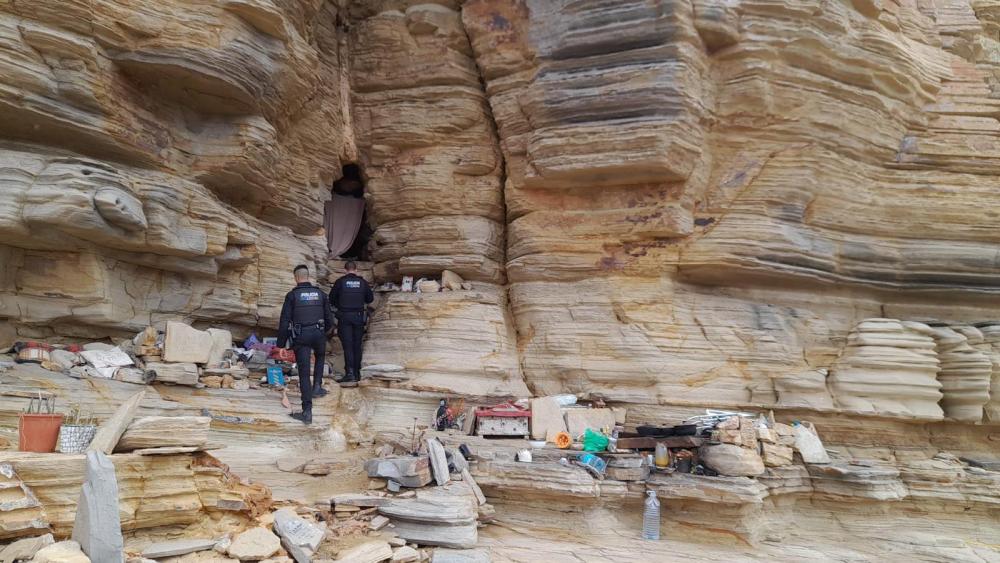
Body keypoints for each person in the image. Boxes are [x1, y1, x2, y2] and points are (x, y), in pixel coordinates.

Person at [277, 264, 334, 425]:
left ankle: (307, 412)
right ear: (307, 276)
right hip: (319, 333)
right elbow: (330, 320)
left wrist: (280, 345)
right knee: (320, 356)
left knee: (303, 373)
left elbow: (284, 321)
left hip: (301, 336)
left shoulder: (292, 296)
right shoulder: (320, 294)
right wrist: (323, 332)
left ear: (296, 278)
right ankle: (317, 386)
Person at [330, 261, 373, 386]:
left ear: (345, 270)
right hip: (358, 317)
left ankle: (350, 374)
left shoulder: (340, 282)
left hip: (344, 317)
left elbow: (331, 299)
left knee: (348, 346)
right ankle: (357, 373)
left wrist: (340, 305)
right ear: (356, 270)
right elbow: (370, 299)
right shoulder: (362, 283)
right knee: (357, 345)